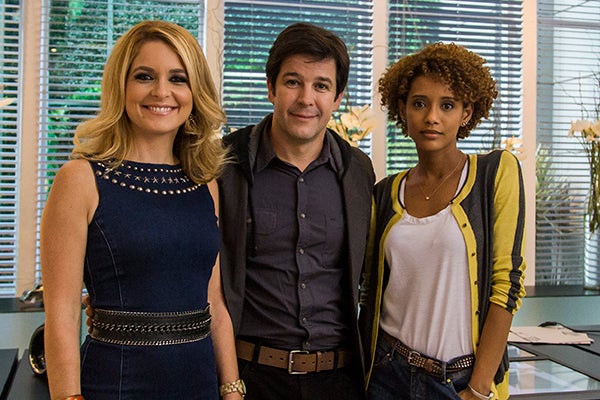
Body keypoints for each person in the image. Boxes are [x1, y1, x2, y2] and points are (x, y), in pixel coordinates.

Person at [41, 20, 242, 400]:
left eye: (178, 79)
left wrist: (232, 390)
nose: (161, 92)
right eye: (144, 76)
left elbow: (214, 303)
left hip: (200, 384)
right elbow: (62, 314)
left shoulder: (205, 183)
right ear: (121, 85)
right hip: (116, 384)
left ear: (195, 91)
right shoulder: (79, 179)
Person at [358, 42, 526, 400]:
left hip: (460, 381)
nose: (432, 117)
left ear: (467, 113)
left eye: (447, 105)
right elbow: (369, 288)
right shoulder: (384, 193)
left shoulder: (495, 174)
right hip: (387, 374)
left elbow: (507, 284)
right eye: (419, 103)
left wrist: (479, 388)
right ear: (402, 109)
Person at [217, 22, 375, 400]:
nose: (306, 98)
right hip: (251, 378)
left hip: (338, 381)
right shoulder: (224, 165)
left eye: (321, 85)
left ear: (337, 98)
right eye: (293, 82)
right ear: (271, 88)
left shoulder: (358, 171)